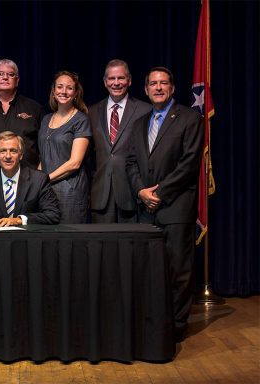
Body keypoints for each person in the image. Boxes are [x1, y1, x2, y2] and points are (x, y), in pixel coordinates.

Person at [125, 67, 204, 342]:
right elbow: (132, 162)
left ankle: (177, 327)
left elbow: (189, 163)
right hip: (145, 209)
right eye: (153, 84)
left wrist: (160, 193)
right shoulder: (139, 123)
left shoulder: (190, 118)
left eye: (163, 83)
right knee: (149, 270)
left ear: (172, 87)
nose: (158, 88)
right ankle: (153, 324)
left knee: (177, 270)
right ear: (145, 89)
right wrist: (141, 192)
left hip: (176, 208)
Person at [89, 59, 151, 223]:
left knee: (130, 248)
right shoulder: (91, 111)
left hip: (132, 194)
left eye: (121, 78)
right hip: (100, 196)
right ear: (105, 82)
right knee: (101, 247)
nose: (116, 83)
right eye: (111, 78)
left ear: (129, 80)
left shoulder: (145, 110)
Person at [38, 71, 91, 223]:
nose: (63, 91)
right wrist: (36, 182)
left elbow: (75, 163)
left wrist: (45, 180)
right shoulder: (46, 119)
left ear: (75, 93)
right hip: (46, 190)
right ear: (53, 91)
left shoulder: (81, 120)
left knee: (69, 240)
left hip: (69, 191)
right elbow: (44, 156)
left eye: (69, 88)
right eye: (59, 87)